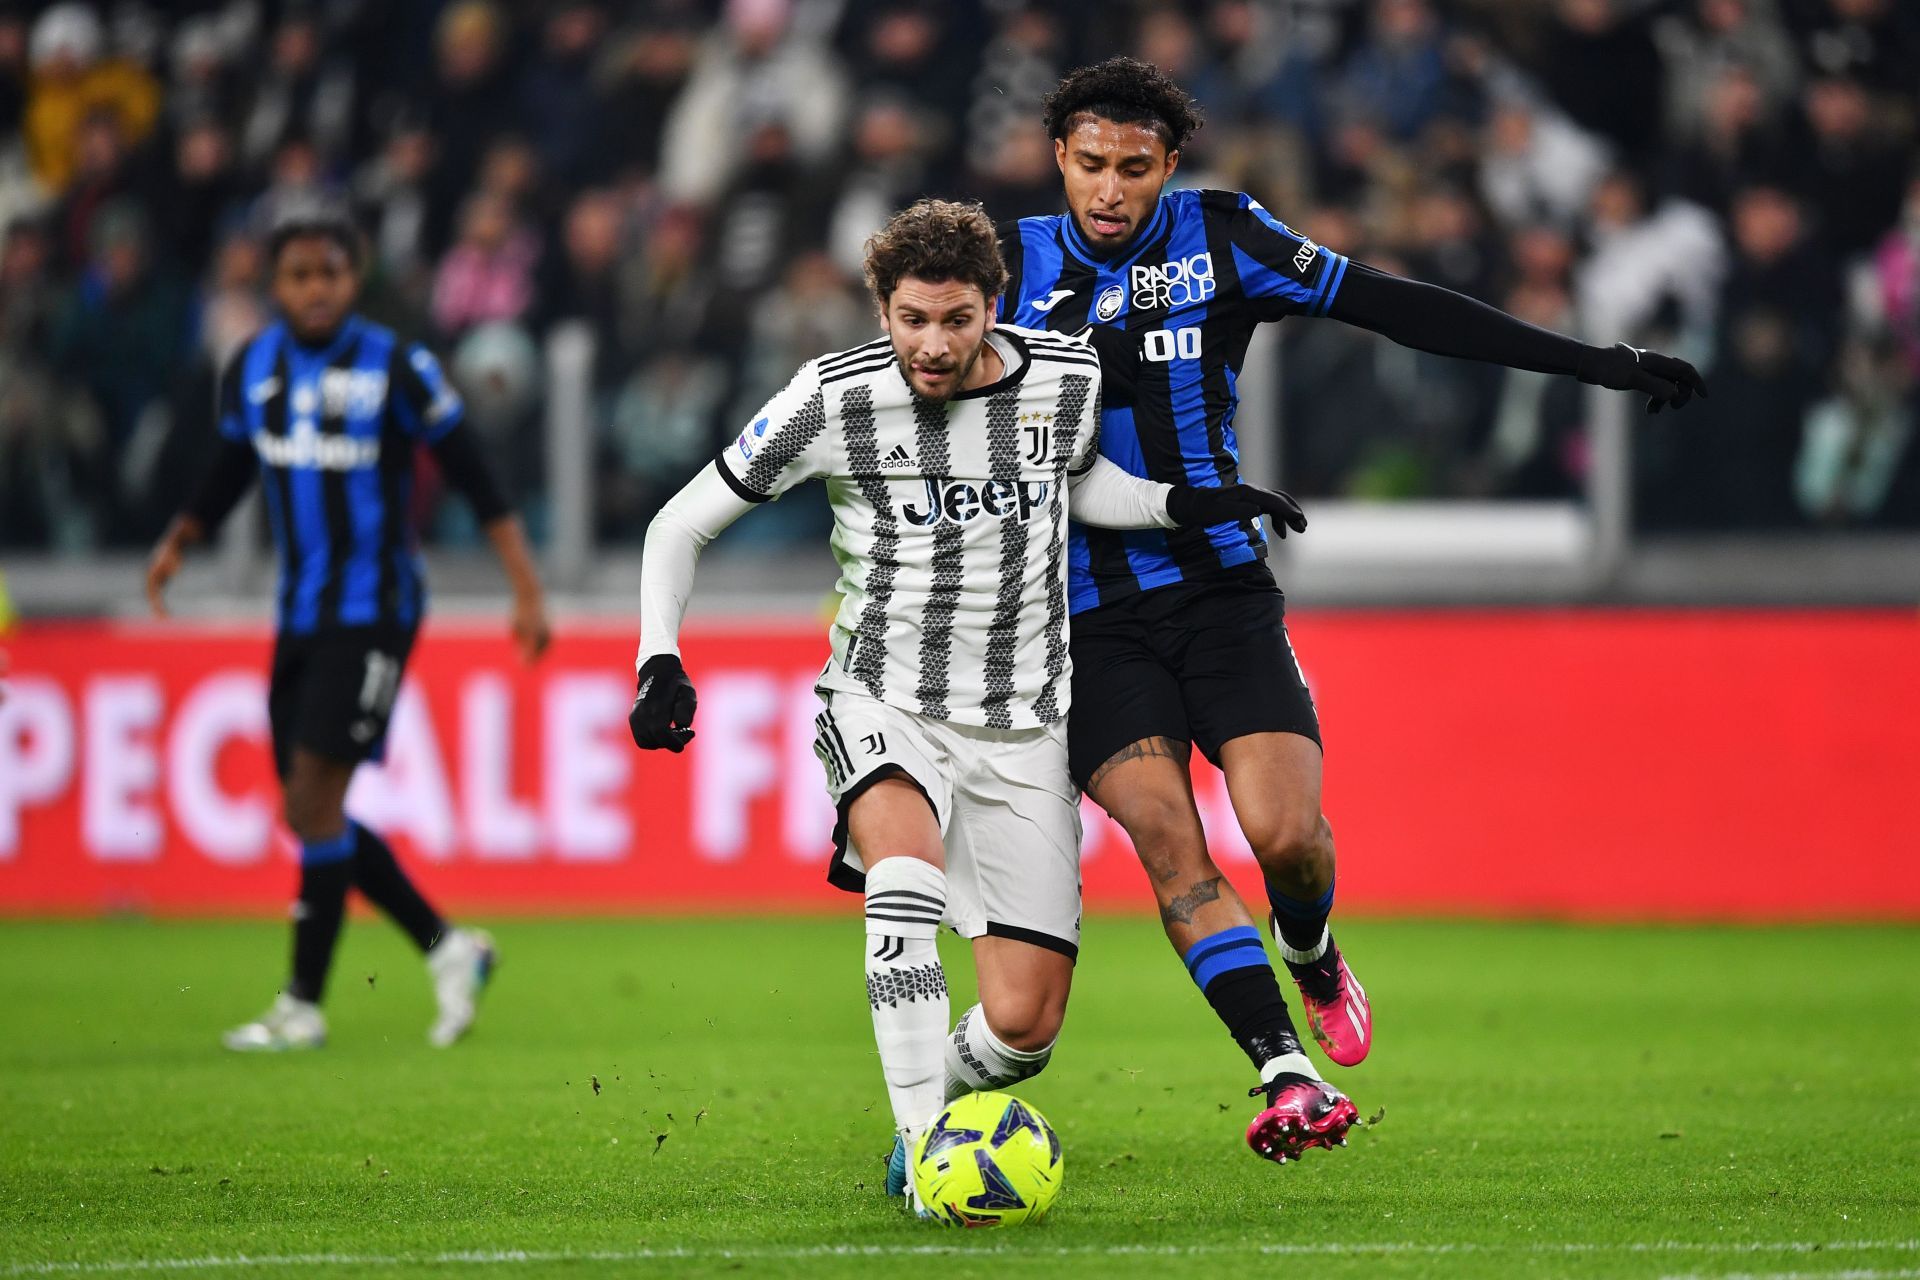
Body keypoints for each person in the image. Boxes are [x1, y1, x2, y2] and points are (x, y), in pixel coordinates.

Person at [999, 57, 1707, 1164]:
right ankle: (1285, 1067)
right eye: (1091, 164)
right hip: (1087, 615)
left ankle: (1313, 944)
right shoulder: (1006, 270)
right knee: (1167, 838)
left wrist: (1597, 364)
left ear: (1169, 168)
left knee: (1287, 836)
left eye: (1135, 168)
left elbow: (1397, 307)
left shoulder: (1223, 236)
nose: (1109, 189)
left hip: (1223, 589)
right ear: (1059, 159)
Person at [627, 198, 1308, 1210]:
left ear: (995, 304)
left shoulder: (1065, 379)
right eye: (911, 319)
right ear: (882, 309)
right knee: (900, 874)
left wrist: (1180, 503)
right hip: (884, 695)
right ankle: (926, 1156)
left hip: (1025, 727)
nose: (933, 344)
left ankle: (934, 1111)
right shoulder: (832, 396)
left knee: (1022, 1028)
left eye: (954, 319)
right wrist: (658, 654)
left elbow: (1082, 486)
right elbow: (682, 521)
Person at [145, 209, 551, 1052]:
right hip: (299, 612)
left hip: (377, 612)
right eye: (298, 275)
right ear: (275, 284)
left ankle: (303, 1005)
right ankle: (448, 949)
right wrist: (182, 537)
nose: (315, 288)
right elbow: (231, 465)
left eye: (329, 272)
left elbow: (473, 471)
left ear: (353, 277)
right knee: (307, 806)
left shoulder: (398, 366)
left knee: (315, 797)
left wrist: (525, 587)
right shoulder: (253, 365)